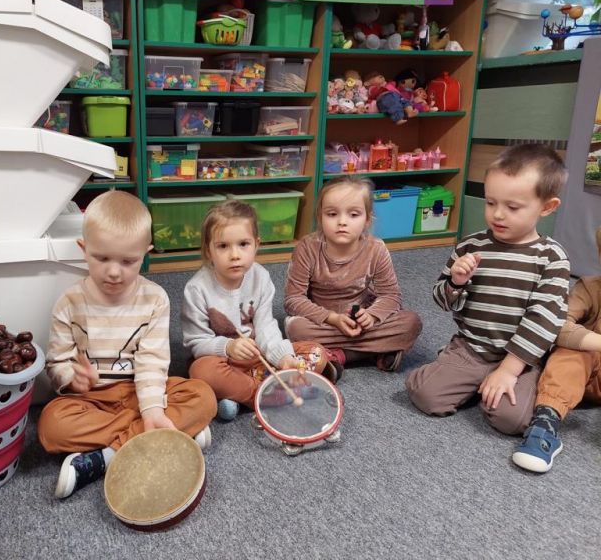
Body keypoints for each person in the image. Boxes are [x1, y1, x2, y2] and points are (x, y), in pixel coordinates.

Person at [37, 191, 216, 498]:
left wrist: (151, 409)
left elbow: (152, 361)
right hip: (91, 400)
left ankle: (106, 457)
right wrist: (73, 380)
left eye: (128, 261)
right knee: (50, 426)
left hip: (140, 391)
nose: (114, 271)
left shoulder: (155, 299)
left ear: (145, 254)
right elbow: (57, 363)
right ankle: (164, 434)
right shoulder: (68, 303)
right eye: (101, 258)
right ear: (84, 249)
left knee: (202, 396)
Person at [406, 144, 570, 435]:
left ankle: (500, 381)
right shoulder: (471, 245)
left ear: (547, 207)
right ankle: (466, 372)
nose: (498, 215)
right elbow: (441, 299)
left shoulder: (551, 258)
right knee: (425, 394)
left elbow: (543, 322)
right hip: (472, 348)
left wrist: (508, 370)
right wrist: (455, 282)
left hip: (521, 358)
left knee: (511, 420)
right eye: (491, 202)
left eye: (512, 207)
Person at [182, 200, 339, 421]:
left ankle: (240, 396)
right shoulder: (197, 289)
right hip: (222, 362)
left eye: (243, 244)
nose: (235, 254)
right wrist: (228, 347)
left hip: (259, 359)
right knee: (201, 372)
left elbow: (266, 326)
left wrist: (283, 358)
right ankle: (266, 393)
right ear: (209, 250)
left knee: (316, 352)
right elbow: (196, 342)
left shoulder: (261, 277)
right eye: (223, 246)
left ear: (256, 244)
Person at [284, 176, 422, 372]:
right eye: (332, 214)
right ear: (320, 217)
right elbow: (293, 300)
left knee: (411, 323)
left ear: (367, 219)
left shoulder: (376, 248)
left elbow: (391, 295)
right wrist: (333, 318)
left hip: (361, 321)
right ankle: (375, 351)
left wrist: (372, 316)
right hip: (323, 321)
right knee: (295, 329)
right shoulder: (307, 247)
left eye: (353, 215)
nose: (342, 222)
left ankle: (336, 355)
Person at [512, 226, 601, 472]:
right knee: (573, 350)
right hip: (584, 374)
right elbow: (557, 325)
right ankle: (545, 424)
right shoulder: (590, 288)